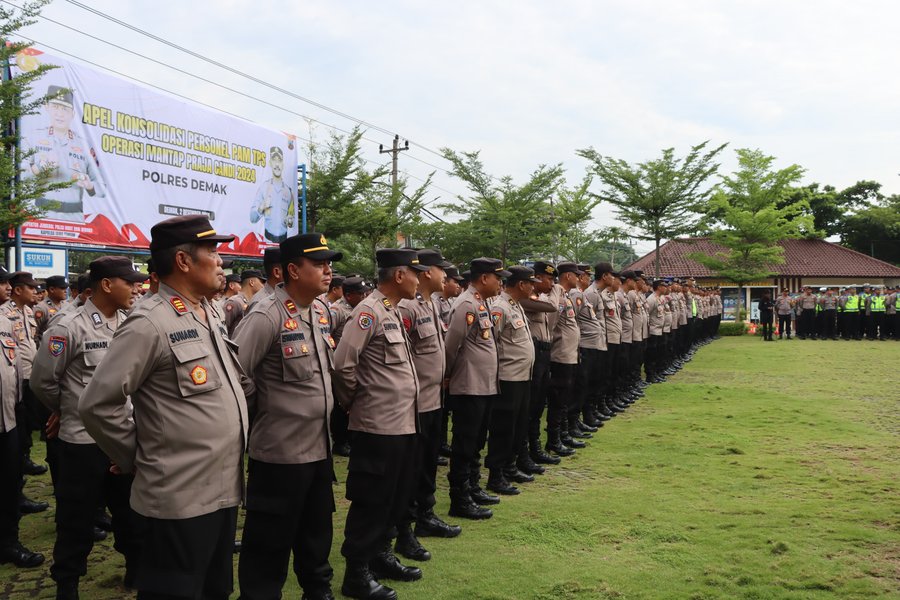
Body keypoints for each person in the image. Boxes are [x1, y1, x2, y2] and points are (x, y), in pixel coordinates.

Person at [79, 215, 249, 600]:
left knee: (215, 589)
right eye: (212, 251)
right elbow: (97, 403)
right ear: (184, 261)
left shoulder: (207, 312)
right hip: (178, 495)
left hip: (222, 488)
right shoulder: (150, 322)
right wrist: (135, 455)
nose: (221, 260)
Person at [232, 232, 342, 600]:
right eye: (320, 264)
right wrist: (265, 409)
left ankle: (318, 591)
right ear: (293, 270)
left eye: (329, 264)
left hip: (318, 448)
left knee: (316, 533)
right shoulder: (266, 314)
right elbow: (236, 376)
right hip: (279, 454)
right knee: (269, 544)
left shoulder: (321, 311)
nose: (328, 271)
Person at [32, 256, 148, 598]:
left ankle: (135, 572)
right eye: (130, 282)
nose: (137, 287)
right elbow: (43, 382)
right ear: (107, 285)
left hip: (122, 437)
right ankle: (67, 584)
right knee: (76, 519)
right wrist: (67, 409)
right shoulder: (68, 326)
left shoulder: (130, 321)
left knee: (130, 514)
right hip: (81, 442)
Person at [333, 248, 427, 600]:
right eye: (415, 273)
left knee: (395, 496)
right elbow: (343, 365)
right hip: (377, 426)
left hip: (402, 424)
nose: (419, 279)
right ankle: (357, 573)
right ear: (399, 275)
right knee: (372, 500)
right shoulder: (368, 312)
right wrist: (356, 403)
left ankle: (380, 556)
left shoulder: (391, 310)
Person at [396, 249, 461, 563]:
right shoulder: (406, 307)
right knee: (411, 469)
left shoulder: (429, 303)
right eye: (440, 270)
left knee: (427, 465)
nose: (445, 276)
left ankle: (426, 515)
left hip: (434, 400)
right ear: (425, 272)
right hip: (415, 404)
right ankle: (404, 530)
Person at [444, 258, 510, 521]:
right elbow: (451, 346)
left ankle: (471, 487)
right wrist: (447, 375)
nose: (500, 283)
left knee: (476, 442)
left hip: (483, 385)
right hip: (468, 386)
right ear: (484, 278)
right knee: (464, 444)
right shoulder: (466, 304)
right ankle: (459, 499)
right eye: (497, 278)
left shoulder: (482, 303)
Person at [0, 269, 45, 570]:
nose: (6, 288)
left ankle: (7, 543)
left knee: (8, 479)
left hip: (8, 415)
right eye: (2, 284)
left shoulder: (6, 321)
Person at [485, 266, 539, 497]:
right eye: (531, 283)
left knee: (517, 426)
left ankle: (510, 466)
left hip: (522, 376)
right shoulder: (500, 307)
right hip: (507, 378)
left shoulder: (515, 305)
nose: (533, 287)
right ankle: (496, 475)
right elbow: (491, 343)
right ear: (520, 284)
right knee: (503, 429)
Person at [21, 86, 105, 222]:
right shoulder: (32, 138)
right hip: (40, 216)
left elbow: (103, 188)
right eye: (55, 107)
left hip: (74, 218)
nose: (59, 114)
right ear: (47, 107)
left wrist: (90, 186)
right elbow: (19, 178)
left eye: (65, 109)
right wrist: (39, 167)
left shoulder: (84, 145)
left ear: (72, 113)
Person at [250, 146, 294, 243]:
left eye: (279, 161)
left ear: (283, 164)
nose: (277, 164)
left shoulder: (289, 191)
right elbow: (252, 218)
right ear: (270, 163)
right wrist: (261, 207)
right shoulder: (263, 187)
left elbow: (291, 220)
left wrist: (290, 221)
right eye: (274, 160)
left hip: (284, 242)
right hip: (267, 241)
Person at [222, 269, 266, 336]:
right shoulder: (235, 302)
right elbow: (222, 328)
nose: (263, 285)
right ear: (252, 282)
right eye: (261, 282)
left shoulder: (251, 302)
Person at [33, 275, 69, 341]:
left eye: (66, 288)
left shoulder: (67, 305)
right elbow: (34, 333)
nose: (65, 291)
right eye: (62, 288)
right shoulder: (41, 308)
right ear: (52, 289)